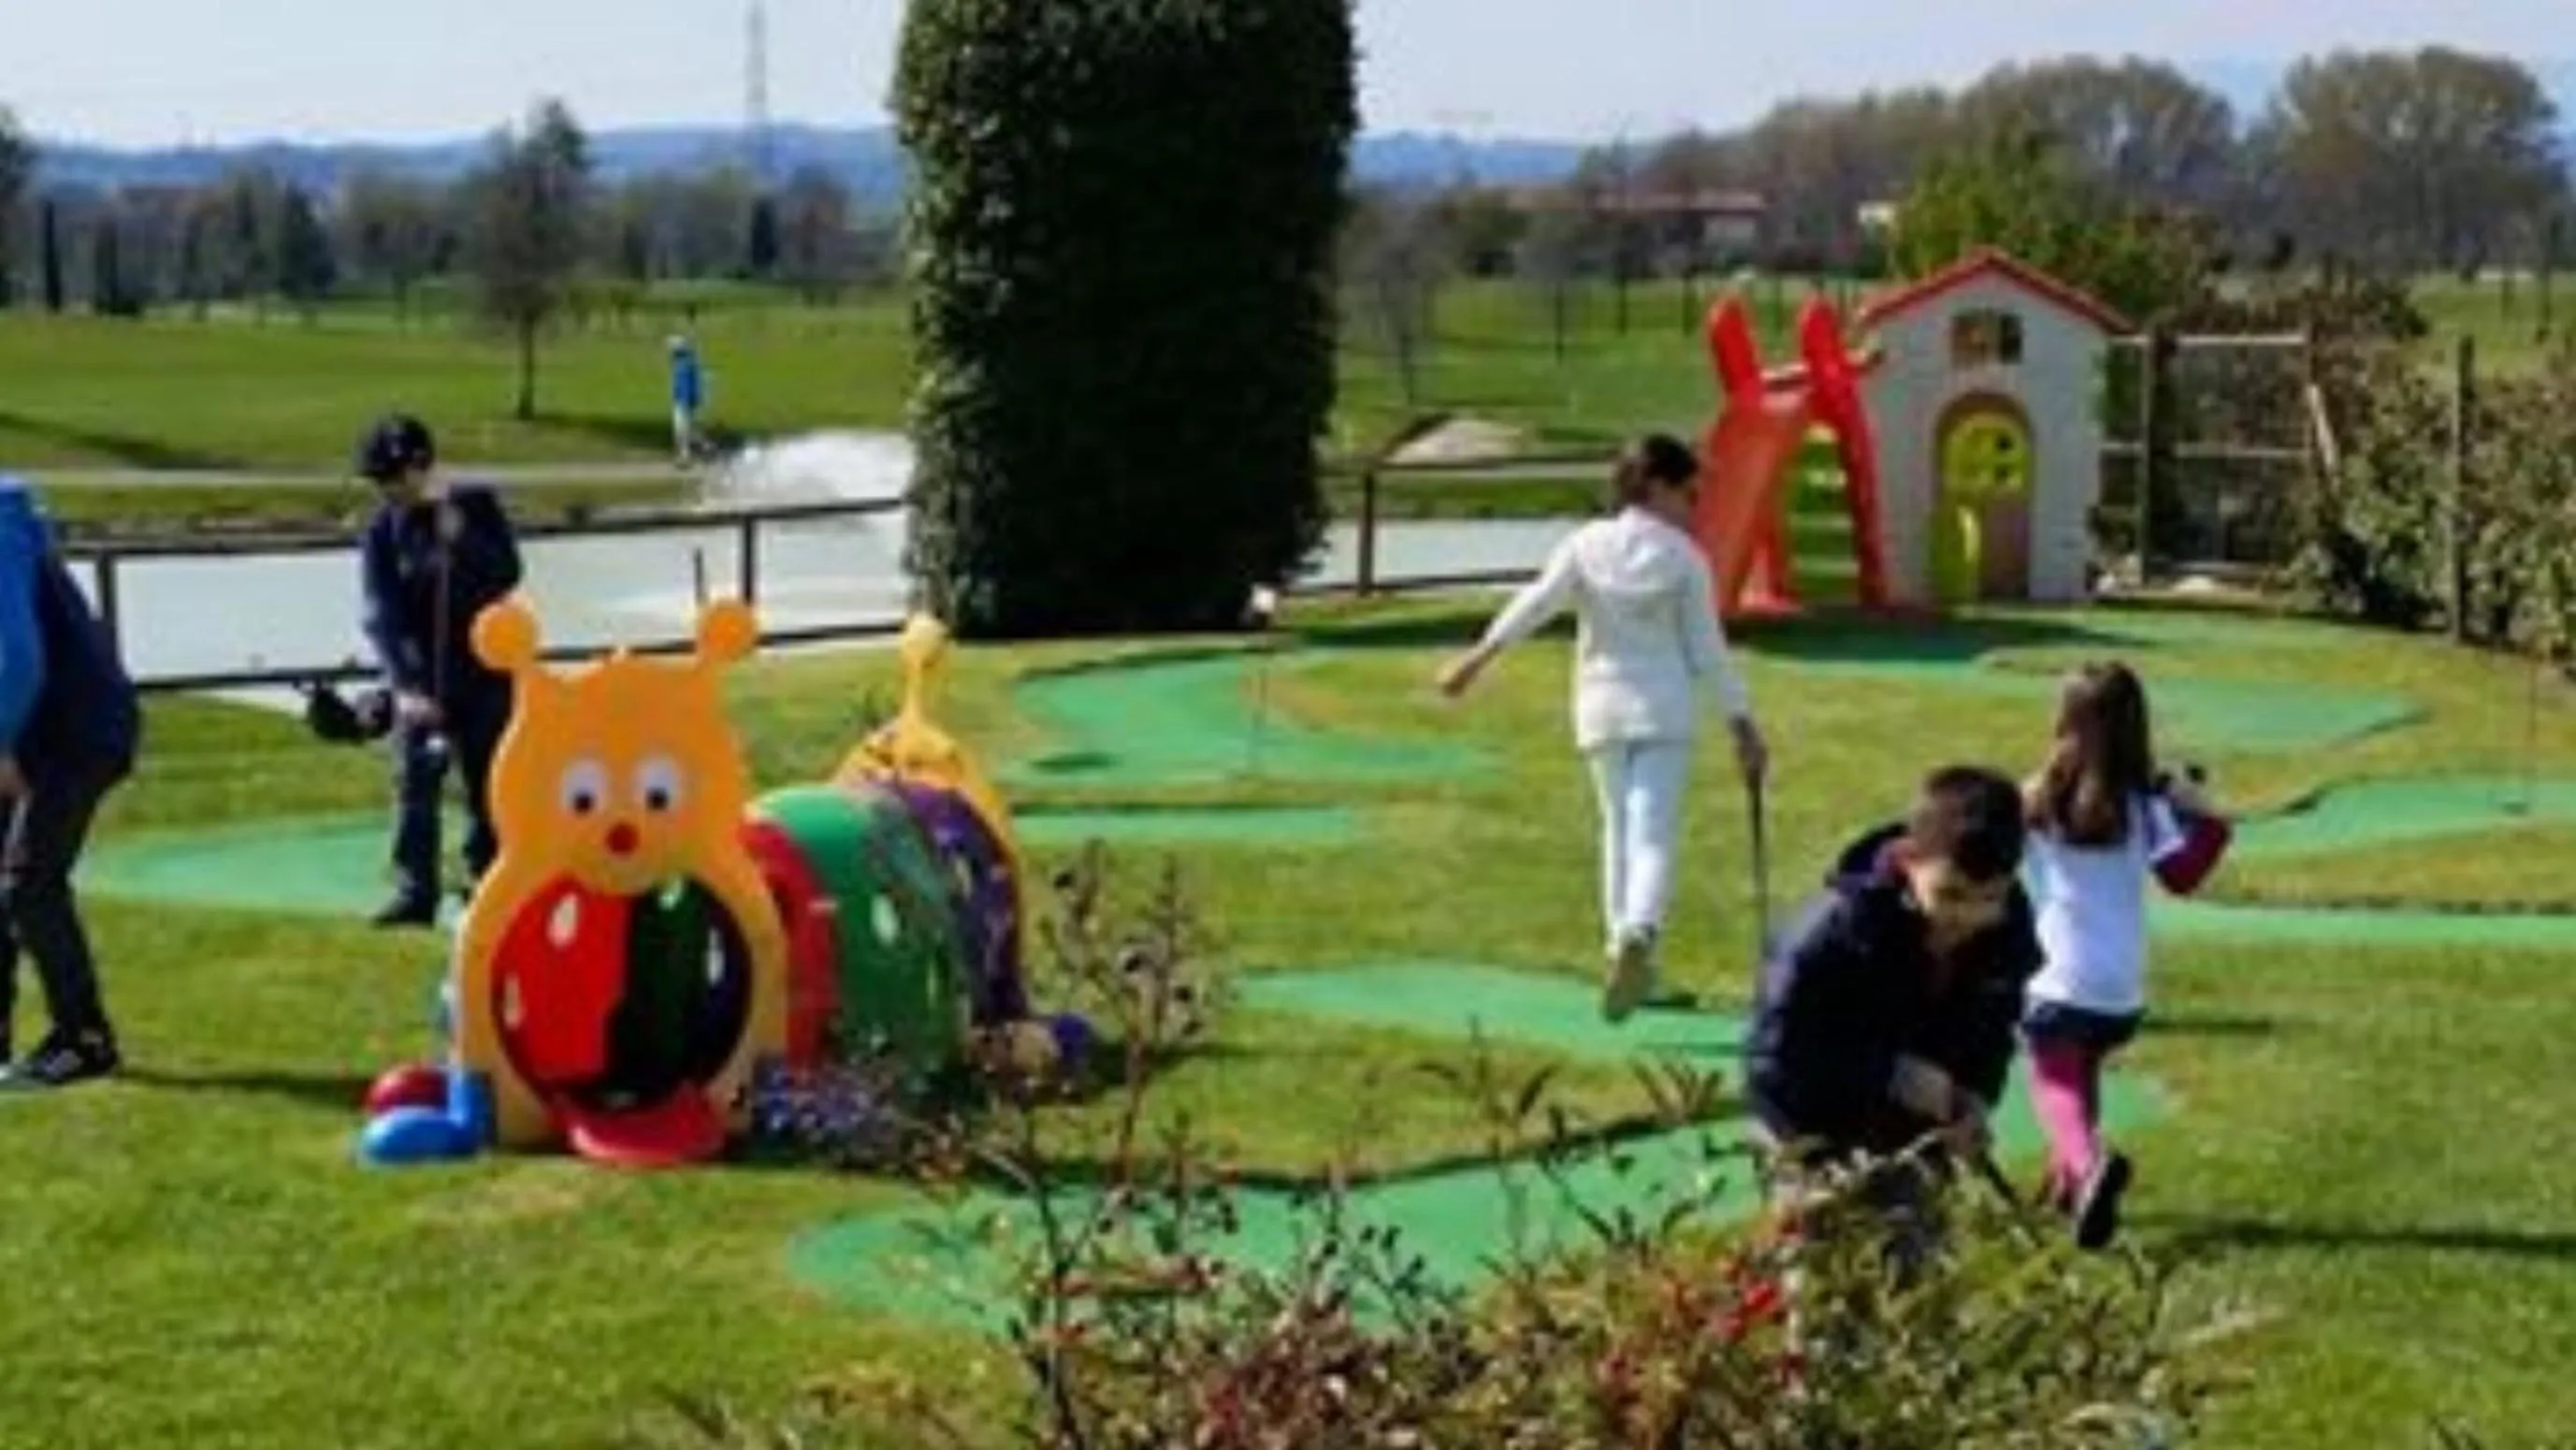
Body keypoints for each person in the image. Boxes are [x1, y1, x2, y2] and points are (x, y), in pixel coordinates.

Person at [1437, 433, 1768, 1022]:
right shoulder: (1684, 557)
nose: (1694, 504)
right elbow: (1707, 650)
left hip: (1599, 709)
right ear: (1659, 486)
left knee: (1617, 828)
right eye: (1690, 492)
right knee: (1652, 833)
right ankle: (1639, 933)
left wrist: (1478, 658)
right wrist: (1740, 719)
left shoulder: (1586, 544)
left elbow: (1536, 603)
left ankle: (1626, 952)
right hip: (1662, 709)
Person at [1743, 765, 2040, 1268]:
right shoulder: (1828, 936)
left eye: (1989, 899)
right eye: (1950, 895)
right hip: (1809, 1130)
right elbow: (1776, 1056)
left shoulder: (2007, 932)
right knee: (1825, 1291)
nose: (1965, 918)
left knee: (1917, 1280)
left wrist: (1974, 1098)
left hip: (1914, 1135)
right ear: (1907, 860)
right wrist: (1890, 1073)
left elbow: (1994, 1028)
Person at [2019, 661, 2233, 1249]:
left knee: (2053, 1086)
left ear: (2063, 721)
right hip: (2121, 992)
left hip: (2056, 982)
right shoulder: (2146, 806)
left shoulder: (2036, 799)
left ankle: (2086, 1168)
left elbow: (1991, 849)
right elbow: (2182, 876)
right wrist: (2211, 821)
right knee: (2080, 1070)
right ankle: (2070, 1186)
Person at [355, 414, 524, 928]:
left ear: (422, 467)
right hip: (422, 677)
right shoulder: (383, 531)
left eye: (393, 478)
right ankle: (416, 892)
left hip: (485, 672)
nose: (386, 490)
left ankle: (488, 886)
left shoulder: (474, 506)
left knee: (489, 784)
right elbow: (382, 613)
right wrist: (405, 687)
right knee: (415, 781)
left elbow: (507, 573)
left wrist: (464, 539)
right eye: (379, 481)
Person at [0, 474, 140, 1088]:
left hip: (78, 729)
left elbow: (15, 654)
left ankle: (85, 1040)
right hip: (35, 728)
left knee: (30, 883)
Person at [669, 334, 704, 464]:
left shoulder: (686, 364)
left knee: (683, 429)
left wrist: (692, 399)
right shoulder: (683, 363)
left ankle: (687, 455)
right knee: (683, 429)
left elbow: (691, 384)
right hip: (682, 400)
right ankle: (687, 453)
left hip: (685, 401)